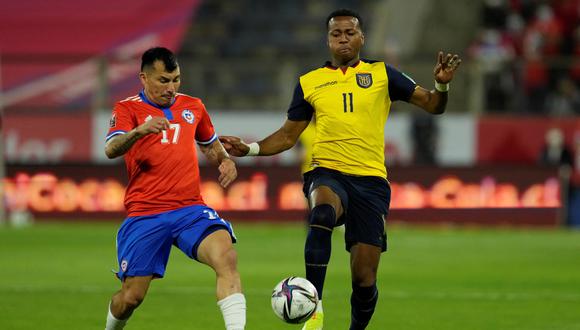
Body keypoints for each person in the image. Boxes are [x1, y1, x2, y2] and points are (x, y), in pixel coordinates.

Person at [220, 9, 461, 330]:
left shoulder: (382, 74)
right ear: (328, 40)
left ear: (361, 37)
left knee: (364, 280)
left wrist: (441, 87)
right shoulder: (310, 82)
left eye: (350, 33)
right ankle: (313, 304)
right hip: (327, 171)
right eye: (337, 34)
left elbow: (432, 105)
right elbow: (288, 135)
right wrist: (249, 149)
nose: (343, 39)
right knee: (321, 214)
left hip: (371, 182)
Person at [103, 47, 246, 330]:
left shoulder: (193, 106)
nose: (171, 88)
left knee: (226, 258)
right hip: (145, 213)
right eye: (163, 80)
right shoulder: (127, 108)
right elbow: (110, 149)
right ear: (144, 78)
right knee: (131, 297)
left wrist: (226, 161)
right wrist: (139, 131)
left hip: (190, 209)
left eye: (176, 79)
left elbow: (210, 145)